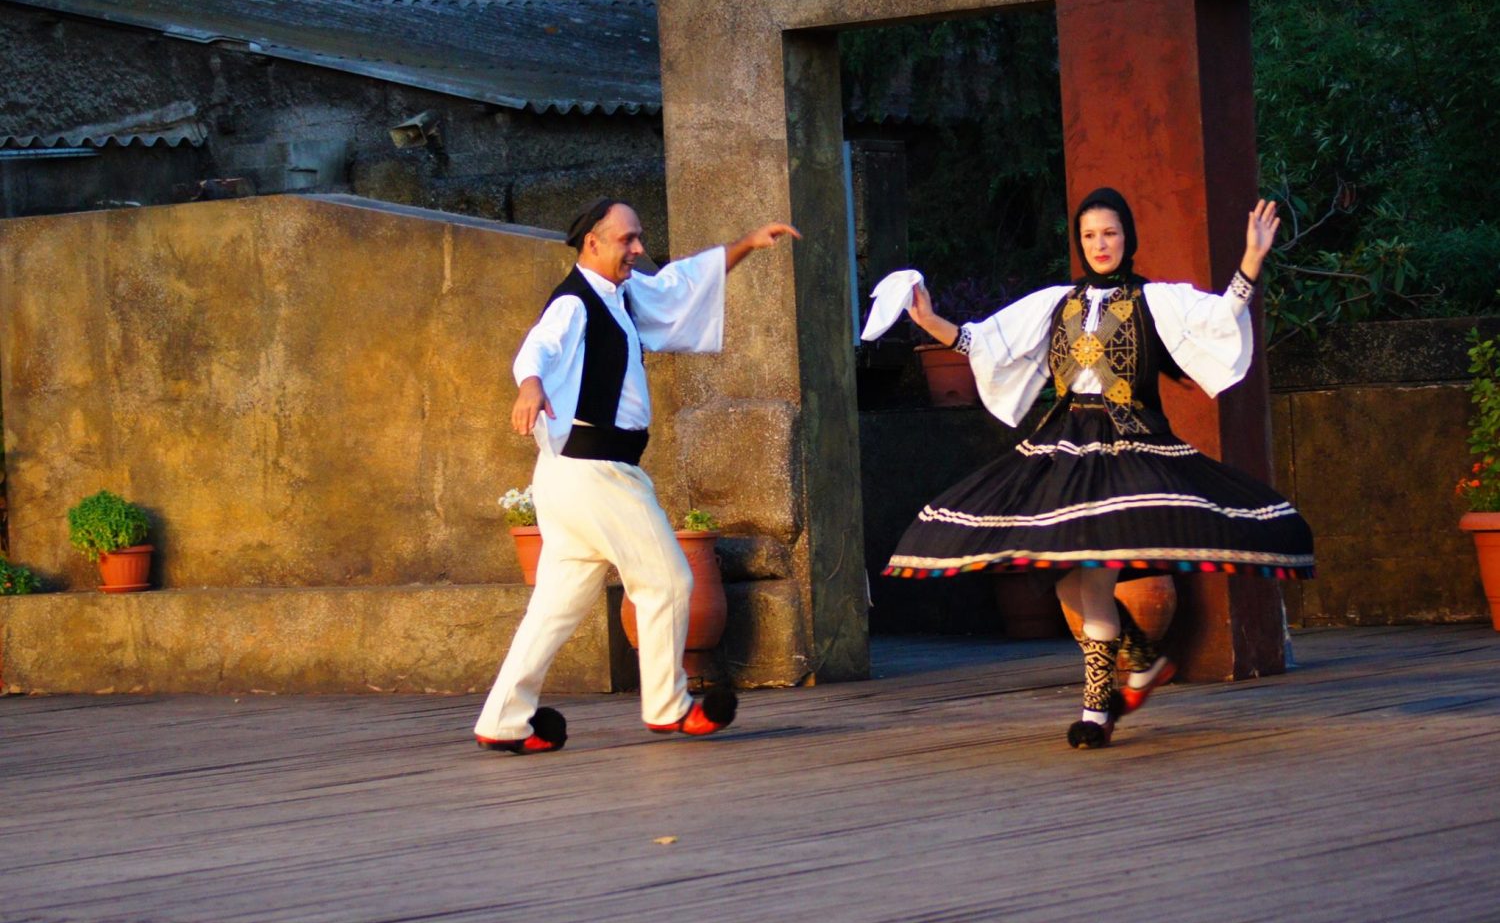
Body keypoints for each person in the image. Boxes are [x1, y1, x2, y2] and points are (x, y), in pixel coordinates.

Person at [864, 187, 1314, 749]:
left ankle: (1097, 705)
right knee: (1068, 577)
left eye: (1110, 233)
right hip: (1064, 441)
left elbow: (1222, 316)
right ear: (1079, 243)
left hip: (1129, 443)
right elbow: (981, 341)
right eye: (1090, 235)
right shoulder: (1056, 302)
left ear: (1127, 237)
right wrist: (928, 319)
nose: (1100, 244)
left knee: (1092, 570)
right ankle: (1142, 662)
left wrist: (1251, 257)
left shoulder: (1158, 300)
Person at [474, 197, 800, 754]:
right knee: (667, 580)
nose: (638, 249)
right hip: (594, 473)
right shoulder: (575, 303)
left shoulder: (621, 293)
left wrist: (745, 245)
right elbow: (541, 344)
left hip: (570, 476)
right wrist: (530, 384)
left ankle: (503, 720)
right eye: (627, 240)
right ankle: (668, 708)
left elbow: (676, 286)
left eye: (638, 238)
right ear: (592, 243)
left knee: (556, 606)